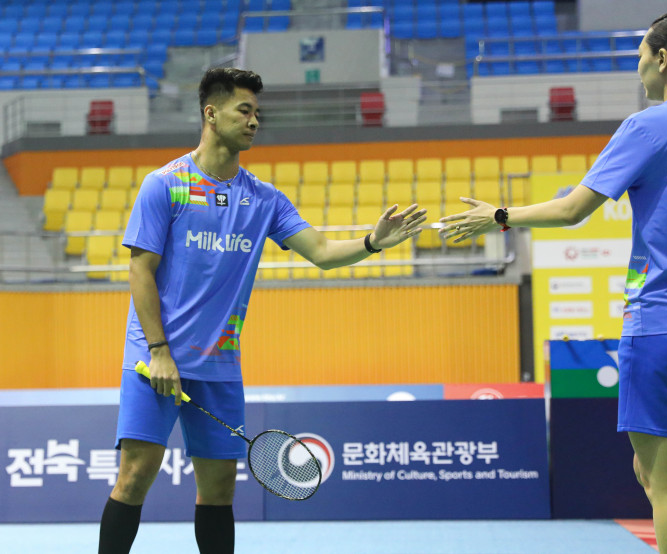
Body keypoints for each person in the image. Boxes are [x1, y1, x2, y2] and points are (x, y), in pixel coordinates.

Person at [440, 11, 667, 554]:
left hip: (663, 323)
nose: (636, 67)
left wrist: (500, 216)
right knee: (652, 469)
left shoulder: (647, 127)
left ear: (661, 58)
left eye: (639, 55)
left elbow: (571, 211)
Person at [98, 67, 427, 554]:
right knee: (134, 477)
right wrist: (160, 349)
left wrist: (372, 242)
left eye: (257, 112)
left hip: (220, 364)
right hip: (154, 360)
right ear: (211, 113)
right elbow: (139, 271)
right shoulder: (164, 184)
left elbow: (319, 251)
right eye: (243, 110)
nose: (254, 121)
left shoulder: (264, 199)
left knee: (219, 492)